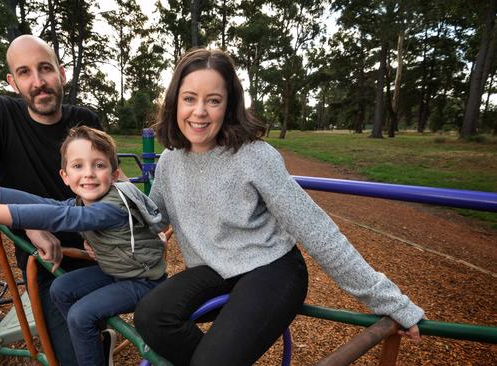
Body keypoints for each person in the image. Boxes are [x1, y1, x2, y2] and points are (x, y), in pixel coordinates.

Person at [133, 48, 425, 366]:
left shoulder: (254, 156)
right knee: (150, 315)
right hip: (213, 270)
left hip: (272, 270)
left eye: (213, 100)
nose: (199, 112)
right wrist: (107, 202)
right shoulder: (170, 161)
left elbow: (316, 230)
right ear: (175, 100)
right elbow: (153, 216)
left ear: (228, 105)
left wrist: (388, 300)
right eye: (190, 98)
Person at [0, 126, 167, 366]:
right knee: (60, 288)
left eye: (99, 165)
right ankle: (94, 343)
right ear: (65, 176)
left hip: (142, 280)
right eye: (78, 166)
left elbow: (59, 218)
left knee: (80, 315)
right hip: (117, 272)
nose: (89, 174)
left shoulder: (110, 207)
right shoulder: (83, 200)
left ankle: (89, 350)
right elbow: (41, 203)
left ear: (115, 174)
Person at [0, 35, 105, 365]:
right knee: (73, 356)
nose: (38, 82)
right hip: (46, 263)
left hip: (101, 249)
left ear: (62, 73)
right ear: (13, 82)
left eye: (45, 69)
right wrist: (29, 223)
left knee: (159, 319)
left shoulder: (84, 121)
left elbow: (116, 180)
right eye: (25, 73)